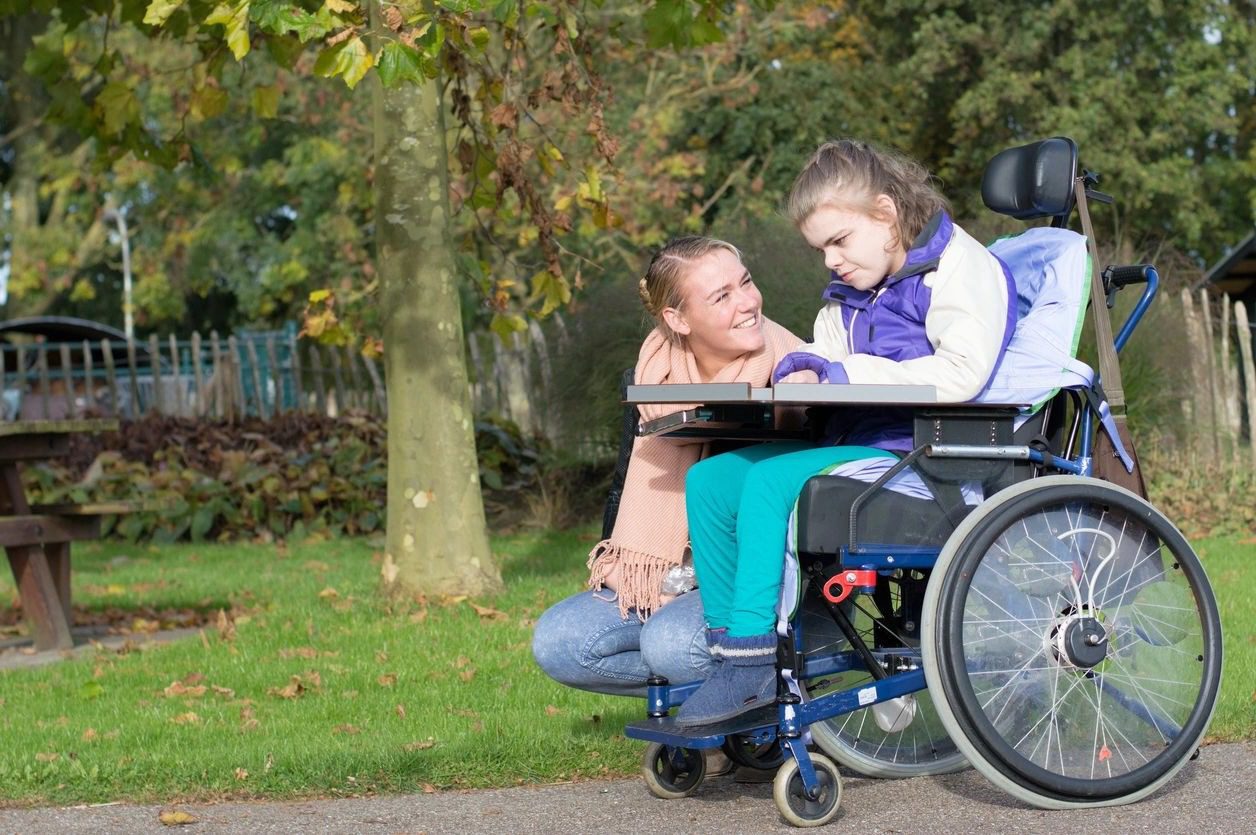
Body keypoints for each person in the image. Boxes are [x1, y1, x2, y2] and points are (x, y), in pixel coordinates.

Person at [675, 138, 1017, 727]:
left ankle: (754, 661)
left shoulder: (961, 268)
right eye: (821, 249)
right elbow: (828, 356)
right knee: (710, 480)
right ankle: (728, 648)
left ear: (885, 214)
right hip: (852, 445)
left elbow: (963, 374)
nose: (830, 261)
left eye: (839, 241)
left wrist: (843, 371)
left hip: (925, 459)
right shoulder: (852, 288)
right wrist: (803, 368)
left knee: (769, 486)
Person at [531, 236, 803, 697]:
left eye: (746, 282)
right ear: (677, 319)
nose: (747, 303)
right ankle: (723, 696)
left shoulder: (796, 373)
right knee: (560, 642)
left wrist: (687, 588)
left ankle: (748, 711)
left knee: (671, 644)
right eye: (721, 296)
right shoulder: (651, 379)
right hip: (666, 573)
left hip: (756, 584)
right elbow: (623, 486)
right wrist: (641, 577)